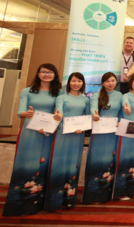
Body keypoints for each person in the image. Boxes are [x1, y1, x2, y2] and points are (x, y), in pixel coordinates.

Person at [3, 63, 62, 217]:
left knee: (46, 164)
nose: (47, 74)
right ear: (38, 73)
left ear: (55, 75)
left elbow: (58, 113)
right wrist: (26, 114)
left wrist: (58, 117)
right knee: (27, 164)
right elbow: (20, 112)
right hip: (31, 131)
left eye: (50, 72)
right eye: (43, 72)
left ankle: (43, 201)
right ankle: (22, 203)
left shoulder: (59, 93)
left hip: (49, 133)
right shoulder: (27, 91)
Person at [45, 72, 90, 212]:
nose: (76, 84)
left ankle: (69, 200)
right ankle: (54, 201)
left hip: (77, 136)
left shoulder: (86, 100)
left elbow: (87, 118)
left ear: (83, 83)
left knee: (73, 164)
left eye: (79, 81)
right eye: (73, 81)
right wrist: (58, 116)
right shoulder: (61, 97)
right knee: (59, 163)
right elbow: (58, 113)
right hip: (62, 133)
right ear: (69, 82)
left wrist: (82, 129)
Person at [81, 72, 122, 204]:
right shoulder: (96, 95)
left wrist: (121, 121)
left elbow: (122, 112)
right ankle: (95, 194)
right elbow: (93, 108)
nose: (110, 83)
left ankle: (111, 192)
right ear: (103, 83)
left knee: (112, 160)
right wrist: (94, 114)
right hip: (99, 133)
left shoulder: (120, 95)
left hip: (114, 133)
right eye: (107, 81)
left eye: (113, 80)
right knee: (98, 161)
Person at [113, 75, 134, 200]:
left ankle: (133, 189)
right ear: (130, 83)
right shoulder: (125, 96)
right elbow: (125, 106)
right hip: (127, 126)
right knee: (124, 157)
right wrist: (127, 109)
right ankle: (121, 191)